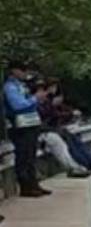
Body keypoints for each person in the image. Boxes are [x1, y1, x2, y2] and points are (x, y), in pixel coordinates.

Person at [4, 62, 50, 197]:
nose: (25, 73)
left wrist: (37, 99)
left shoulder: (22, 85)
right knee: (23, 156)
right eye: (23, 70)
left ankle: (33, 184)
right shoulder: (10, 87)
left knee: (31, 156)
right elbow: (18, 105)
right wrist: (35, 98)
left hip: (31, 123)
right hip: (20, 125)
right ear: (14, 71)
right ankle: (25, 187)